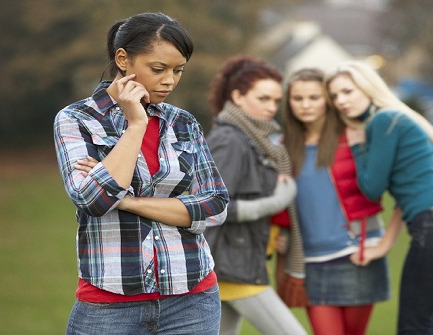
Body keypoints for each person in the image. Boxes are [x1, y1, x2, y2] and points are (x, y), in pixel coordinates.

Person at [53, 12, 229, 335]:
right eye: (158, 69)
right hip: (109, 304)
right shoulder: (77, 119)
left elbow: (215, 205)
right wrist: (136, 126)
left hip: (193, 299)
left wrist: (127, 201)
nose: (170, 81)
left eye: (178, 71)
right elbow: (93, 199)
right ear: (123, 59)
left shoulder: (184, 123)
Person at [326, 60, 433, 334]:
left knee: (414, 328)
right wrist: (384, 245)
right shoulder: (397, 118)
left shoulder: (382, 121)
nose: (340, 101)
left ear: (368, 87)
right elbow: (401, 201)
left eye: (347, 91)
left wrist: (357, 145)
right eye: (335, 96)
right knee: (431, 328)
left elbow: (372, 189)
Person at [281, 68, 396, 335]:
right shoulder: (283, 146)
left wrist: (386, 242)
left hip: (358, 255)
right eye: (298, 98)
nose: (306, 105)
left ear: (328, 100)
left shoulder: (354, 137)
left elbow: (396, 189)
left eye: (314, 97)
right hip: (310, 261)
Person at [203, 55, 307, 335]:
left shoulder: (255, 140)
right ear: (237, 96)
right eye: (263, 99)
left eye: (275, 101)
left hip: (240, 261)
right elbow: (213, 207)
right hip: (230, 265)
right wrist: (275, 203)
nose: (271, 108)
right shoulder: (230, 140)